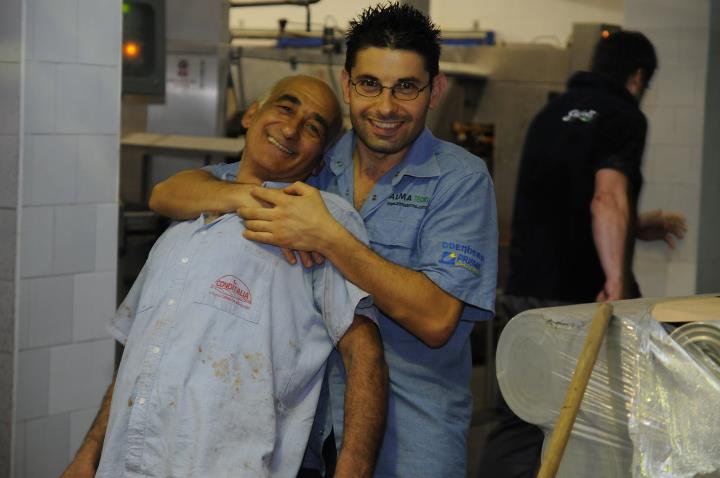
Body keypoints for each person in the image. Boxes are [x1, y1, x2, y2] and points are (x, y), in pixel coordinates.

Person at [148, 4, 498, 477]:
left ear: (434, 90)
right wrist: (248, 198)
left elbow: (436, 319)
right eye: (370, 84)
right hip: (301, 439)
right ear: (347, 84)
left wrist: (329, 237)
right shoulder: (315, 161)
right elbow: (170, 193)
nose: (386, 107)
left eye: (406, 87)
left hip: (411, 444)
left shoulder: (459, 180)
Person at [61, 75, 388, 478]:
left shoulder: (323, 221)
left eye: (312, 128)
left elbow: (364, 354)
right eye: (285, 108)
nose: (290, 130)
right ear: (251, 115)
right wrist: (88, 455)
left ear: (319, 160)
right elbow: (142, 351)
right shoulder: (186, 219)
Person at [478, 31, 687, 477]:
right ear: (637, 77)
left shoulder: (549, 113)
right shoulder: (624, 116)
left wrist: (635, 226)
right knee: (594, 428)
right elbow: (605, 197)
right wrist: (616, 284)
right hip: (577, 302)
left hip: (524, 296)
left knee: (520, 418)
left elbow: (564, 203)